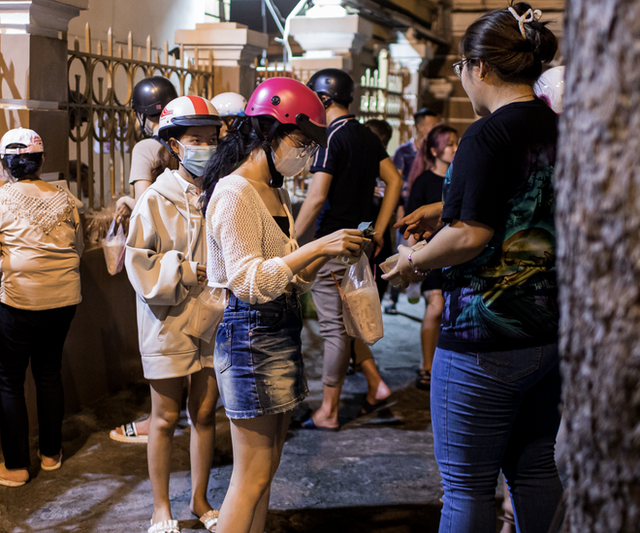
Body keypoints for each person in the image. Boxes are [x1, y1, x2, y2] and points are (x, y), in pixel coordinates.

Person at [383, 3, 562, 532]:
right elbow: (524, 202)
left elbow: (471, 235)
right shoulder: (556, 126)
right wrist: (443, 208)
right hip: (548, 330)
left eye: (462, 65)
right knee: (535, 472)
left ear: (480, 66)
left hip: (483, 336)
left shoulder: (485, 134)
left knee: (467, 486)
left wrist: (411, 260)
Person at [202, 77, 364, 533]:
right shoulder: (234, 193)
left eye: (312, 149)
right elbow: (249, 281)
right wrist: (313, 249)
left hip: (279, 330)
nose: (306, 157)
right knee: (249, 476)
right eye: (300, 143)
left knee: (267, 467)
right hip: (250, 333)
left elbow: (286, 275)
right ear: (268, 130)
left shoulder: (274, 191)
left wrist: (327, 256)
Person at [125, 96, 222, 533]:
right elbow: (138, 260)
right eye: (195, 140)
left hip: (213, 315)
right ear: (174, 145)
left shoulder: (223, 192)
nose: (205, 147)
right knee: (164, 416)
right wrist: (183, 270)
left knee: (205, 413)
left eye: (212, 139)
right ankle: (160, 507)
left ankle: (200, 499)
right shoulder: (154, 198)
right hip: (166, 318)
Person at [295, 68, 403, 428]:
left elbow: (316, 197)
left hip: (330, 244)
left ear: (324, 99)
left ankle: (328, 409)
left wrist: (291, 240)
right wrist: (377, 232)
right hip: (357, 242)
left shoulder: (330, 138)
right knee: (350, 321)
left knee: (333, 330)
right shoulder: (366, 135)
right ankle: (375, 384)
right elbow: (394, 180)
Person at [0, 128, 83, 487]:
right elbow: (75, 247)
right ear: (42, 161)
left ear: (5, 165)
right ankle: (51, 454)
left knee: (8, 380)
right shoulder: (66, 199)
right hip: (64, 299)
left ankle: (16, 467)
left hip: (20, 300)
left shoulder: (2, 199)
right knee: (48, 372)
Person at [405, 124, 457, 391]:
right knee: (435, 306)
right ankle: (426, 367)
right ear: (435, 150)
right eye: (449, 144)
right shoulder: (424, 181)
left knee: (446, 310)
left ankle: (439, 366)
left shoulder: (459, 177)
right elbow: (411, 225)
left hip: (455, 254)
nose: (455, 148)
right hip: (429, 253)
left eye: (456, 143)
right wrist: (409, 258)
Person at [385, 107, 440, 315]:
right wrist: (399, 209)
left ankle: (421, 288)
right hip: (409, 210)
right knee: (400, 253)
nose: (436, 129)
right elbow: (396, 182)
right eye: (433, 125)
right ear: (420, 126)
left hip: (429, 208)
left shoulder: (435, 151)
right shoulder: (404, 151)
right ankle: (393, 297)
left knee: (422, 252)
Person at [114, 77, 179, 226]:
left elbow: (142, 205)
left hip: (161, 234)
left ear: (143, 115)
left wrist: (124, 200)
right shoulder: (185, 142)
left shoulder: (144, 148)